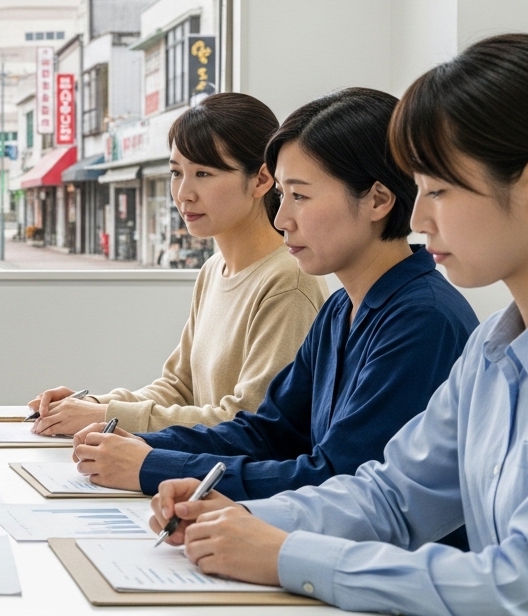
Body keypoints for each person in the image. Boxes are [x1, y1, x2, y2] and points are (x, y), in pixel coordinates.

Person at [148, 34, 528, 615]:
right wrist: (239, 517)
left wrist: (286, 553)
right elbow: (391, 496)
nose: (417, 216)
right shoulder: (492, 350)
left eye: (438, 189)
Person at [71, 88, 478, 523]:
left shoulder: (422, 321)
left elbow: (339, 479)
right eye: (281, 196)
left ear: (378, 200)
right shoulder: (341, 309)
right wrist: (143, 448)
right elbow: (268, 432)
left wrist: (152, 467)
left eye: (299, 197)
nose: (281, 219)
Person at [29, 93, 329, 435]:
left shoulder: (289, 281)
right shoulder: (213, 271)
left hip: (233, 483)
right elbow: (178, 388)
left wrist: (107, 416)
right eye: (176, 172)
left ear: (262, 179)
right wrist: (93, 406)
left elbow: (251, 422)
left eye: (203, 173)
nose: (183, 193)